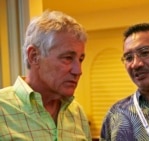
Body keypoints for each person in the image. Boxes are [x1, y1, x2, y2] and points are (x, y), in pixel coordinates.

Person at [0, 10, 91, 140]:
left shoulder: (77, 113)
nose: (78, 70)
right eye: (67, 58)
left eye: (80, 59)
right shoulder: (2, 108)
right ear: (34, 56)